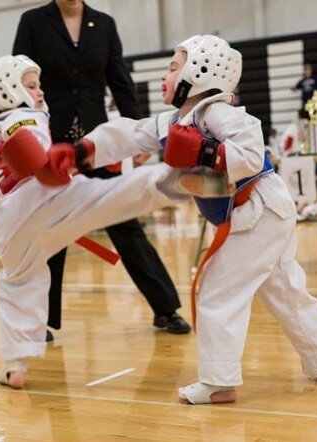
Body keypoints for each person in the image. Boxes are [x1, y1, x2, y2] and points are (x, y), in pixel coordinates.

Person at [41, 35, 317, 405]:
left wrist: (208, 150)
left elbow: (252, 154)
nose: (165, 74)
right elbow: (133, 132)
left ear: (200, 72)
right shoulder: (177, 119)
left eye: (174, 67)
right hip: (263, 211)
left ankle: (219, 379)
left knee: (218, 289)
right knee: (285, 289)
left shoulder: (217, 112)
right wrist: (84, 152)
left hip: (257, 207)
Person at [0, 54, 214, 389]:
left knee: (17, 282)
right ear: (7, 91)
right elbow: (26, 142)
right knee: (111, 197)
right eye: (31, 86)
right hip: (38, 195)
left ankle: (14, 364)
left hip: (7, 225)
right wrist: (46, 163)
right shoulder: (21, 118)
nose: (40, 92)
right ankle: (172, 180)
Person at [12, 0, 190, 336]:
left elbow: (120, 80)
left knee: (124, 220)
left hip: (96, 143)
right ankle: (40, 321)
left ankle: (165, 309)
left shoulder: (103, 24)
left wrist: (139, 137)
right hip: (49, 139)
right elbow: (19, 80)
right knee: (50, 228)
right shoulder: (33, 22)